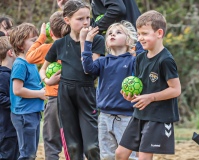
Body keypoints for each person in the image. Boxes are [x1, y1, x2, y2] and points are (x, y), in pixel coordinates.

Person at [40, 0, 105, 159]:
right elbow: (42, 70)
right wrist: (47, 81)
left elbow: (90, 70)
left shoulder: (96, 40)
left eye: (87, 18)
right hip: (65, 96)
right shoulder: (60, 44)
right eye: (80, 18)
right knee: (74, 147)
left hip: (86, 94)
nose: (85, 22)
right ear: (67, 20)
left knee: (91, 147)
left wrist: (85, 42)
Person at [115, 10, 182, 160]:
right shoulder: (139, 58)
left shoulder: (166, 60)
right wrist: (132, 96)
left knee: (143, 156)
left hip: (158, 116)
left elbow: (176, 90)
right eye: (138, 34)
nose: (140, 38)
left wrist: (150, 98)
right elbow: (143, 88)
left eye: (144, 34)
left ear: (159, 33)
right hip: (140, 115)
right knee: (120, 153)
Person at [81, 20, 138, 160]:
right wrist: (88, 41)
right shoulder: (102, 61)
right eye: (110, 33)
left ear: (128, 40)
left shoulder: (133, 61)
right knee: (107, 156)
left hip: (127, 117)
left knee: (131, 156)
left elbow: (143, 56)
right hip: (105, 117)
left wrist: (138, 43)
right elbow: (87, 68)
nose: (113, 35)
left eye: (119, 32)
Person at [26, 11, 69, 160]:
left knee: (51, 141)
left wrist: (41, 38)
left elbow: (29, 57)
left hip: (54, 99)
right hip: (74, 97)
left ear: (51, 32)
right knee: (74, 139)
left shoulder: (49, 48)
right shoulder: (76, 46)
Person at [9, 23, 47, 160]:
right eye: (33, 40)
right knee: (27, 155)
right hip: (24, 115)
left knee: (31, 153)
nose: (37, 43)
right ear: (20, 45)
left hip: (33, 113)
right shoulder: (20, 64)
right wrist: (40, 94)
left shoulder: (31, 63)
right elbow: (17, 90)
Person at [0, 36, 19, 160]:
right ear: (10, 52)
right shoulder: (3, 76)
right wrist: (21, 103)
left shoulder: (11, 74)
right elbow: (1, 98)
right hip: (6, 131)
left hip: (11, 130)